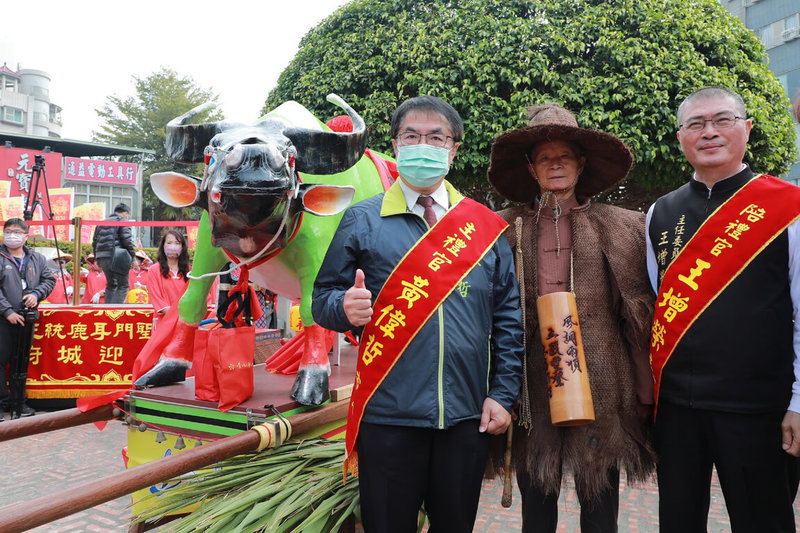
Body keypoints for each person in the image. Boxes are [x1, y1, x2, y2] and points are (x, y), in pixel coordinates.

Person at [312, 95, 524, 532]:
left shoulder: (484, 227)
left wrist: (503, 396)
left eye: (436, 137)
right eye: (411, 136)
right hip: (388, 418)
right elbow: (322, 298)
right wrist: (343, 308)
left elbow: (508, 320)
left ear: (454, 149)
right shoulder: (362, 220)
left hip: (466, 418)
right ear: (396, 144)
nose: (423, 145)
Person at [487, 104, 656, 532]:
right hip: (529, 386)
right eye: (545, 157)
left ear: (581, 163)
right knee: (536, 506)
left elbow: (638, 320)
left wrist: (644, 392)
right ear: (531, 168)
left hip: (602, 385)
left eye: (564, 155)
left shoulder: (622, 227)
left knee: (600, 507)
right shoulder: (500, 229)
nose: (555, 164)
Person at [646, 86, 800, 532]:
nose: (709, 132)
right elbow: (660, 303)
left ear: (747, 129)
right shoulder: (661, 211)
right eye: (696, 124)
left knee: (763, 521)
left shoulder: (787, 205)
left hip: (756, 405)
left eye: (723, 120)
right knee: (678, 520)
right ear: (681, 138)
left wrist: (798, 401)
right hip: (676, 409)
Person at [0, 218, 55, 419]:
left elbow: (49, 279)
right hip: (3, 318)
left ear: (25, 235)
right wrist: (7, 312)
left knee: (21, 361)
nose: (12, 235)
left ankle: (19, 403)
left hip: (27, 317)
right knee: (0, 361)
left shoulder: (36, 258)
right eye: (8, 231)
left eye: (17, 232)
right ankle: (1, 403)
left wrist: (36, 294)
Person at [92, 202, 135, 304]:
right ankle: (115, 312)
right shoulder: (122, 221)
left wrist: (97, 258)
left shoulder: (101, 223)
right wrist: (132, 256)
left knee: (111, 284)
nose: (128, 217)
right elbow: (127, 240)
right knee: (123, 285)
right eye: (128, 215)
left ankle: (107, 311)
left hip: (102, 256)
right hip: (117, 255)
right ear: (125, 213)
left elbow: (94, 242)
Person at [146, 230, 192, 323]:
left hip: (185, 322)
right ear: (163, 246)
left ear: (182, 247)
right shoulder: (154, 270)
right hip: (164, 322)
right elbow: (157, 299)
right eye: (169, 243)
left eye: (177, 243)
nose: (173, 246)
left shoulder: (190, 272)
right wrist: (176, 315)